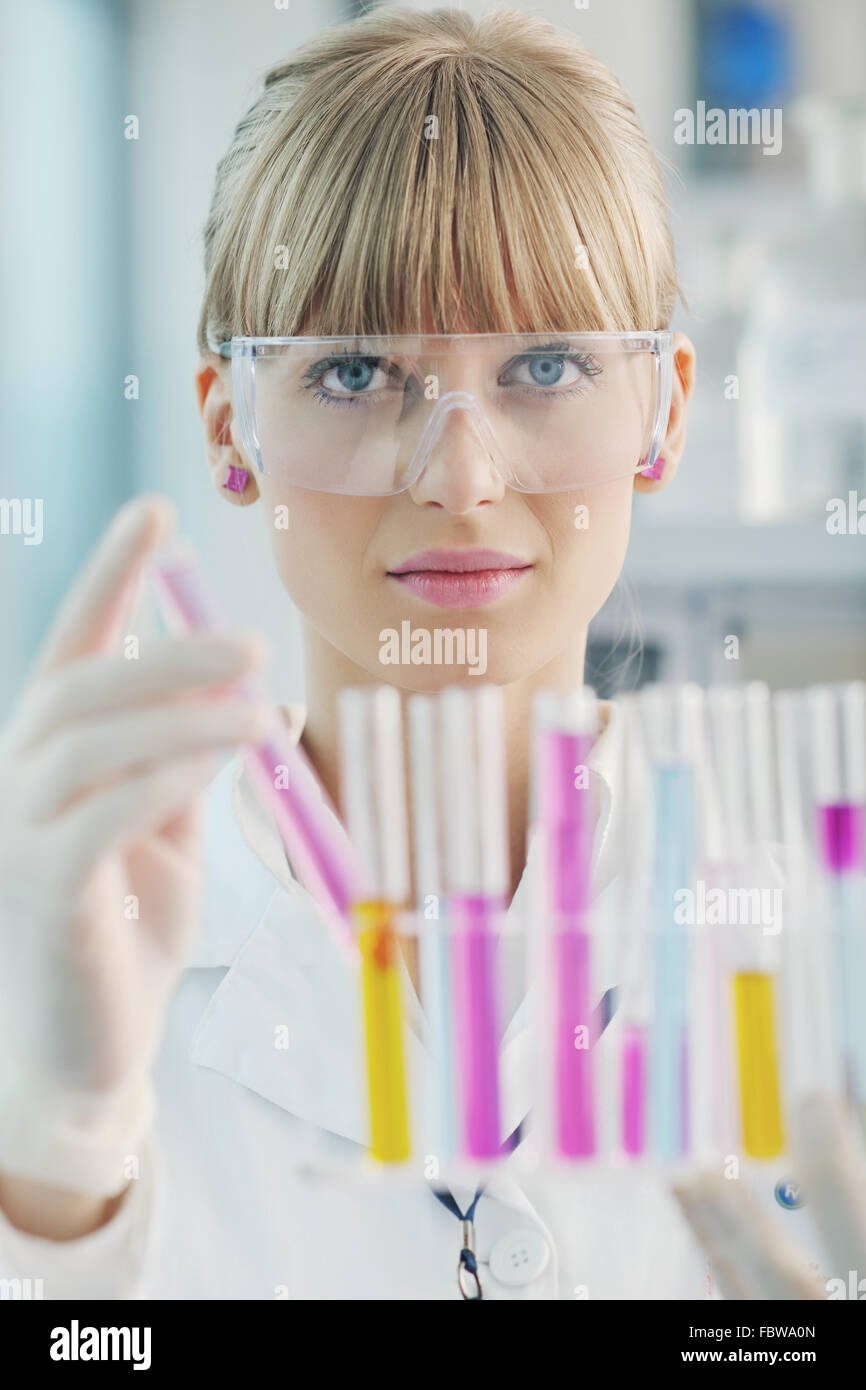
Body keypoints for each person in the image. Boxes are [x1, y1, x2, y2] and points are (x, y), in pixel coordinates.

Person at [0, 5, 857, 1301]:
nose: (459, 475)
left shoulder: (814, 905)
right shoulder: (75, 945)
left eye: (547, 365)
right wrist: (55, 1169)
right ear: (228, 421)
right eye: (355, 372)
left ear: (664, 410)